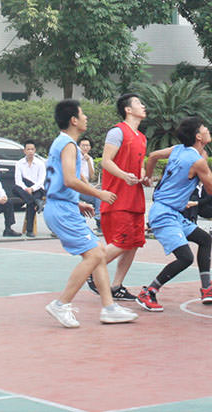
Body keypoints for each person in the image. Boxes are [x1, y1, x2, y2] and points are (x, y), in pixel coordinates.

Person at [44, 99, 138, 328]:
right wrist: (99, 194)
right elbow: (69, 179)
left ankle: (109, 308)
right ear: (73, 120)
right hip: (61, 210)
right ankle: (61, 304)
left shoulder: (62, 143)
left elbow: (63, 180)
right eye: (82, 114)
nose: (86, 117)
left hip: (63, 206)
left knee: (98, 253)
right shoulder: (68, 144)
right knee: (95, 255)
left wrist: (77, 202)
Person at [136, 116, 212, 312]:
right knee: (185, 258)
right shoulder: (197, 161)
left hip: (171, 211)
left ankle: (207, 288)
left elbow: (153, 156)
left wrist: (148, 177)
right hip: (164, 214)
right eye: (204, 127)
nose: (208, 129)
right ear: (198, 136)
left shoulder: (178, 149)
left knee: (204, 239)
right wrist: (203, 166)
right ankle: (149, 291)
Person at [87, 93, 148, 302]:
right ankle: (90, 269)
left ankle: (116, 286)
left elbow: (140, 166)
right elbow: (106, 161)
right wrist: (124, 176)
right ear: (128, 109)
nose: (143, 106)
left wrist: (143, 176)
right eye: (139, 103)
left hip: (135, 199)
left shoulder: (142, 137)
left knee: (134, 243)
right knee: (122, 241)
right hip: (117, 198)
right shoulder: (117, 132)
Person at [12, 140, 46, 237]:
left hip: (37, 189)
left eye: (32, 149)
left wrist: (32, 189)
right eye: (28, 149)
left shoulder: (40, 163)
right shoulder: (19, 163)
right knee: (15, 188)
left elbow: (41, 180)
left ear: (35, 150)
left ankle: (29, 230)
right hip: (24, 189)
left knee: (30, 202)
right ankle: (37, 202)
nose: (30, 151)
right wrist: (26, 189)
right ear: (24, 151)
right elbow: (18, 180)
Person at [78, 137, 101, 232]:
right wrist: (88, 186)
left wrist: (88, 162)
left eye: (87, 145)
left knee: (99, 196)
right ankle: (97, 219)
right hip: (76, 188)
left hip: (85, 188)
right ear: (79, 146)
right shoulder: (75, 157)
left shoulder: (90, 159)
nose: (85, 147)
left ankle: (99, 220)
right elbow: (79, 174)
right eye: (83, 145)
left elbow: (92, 176)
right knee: (97, 194)